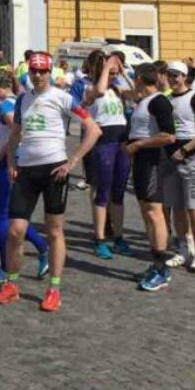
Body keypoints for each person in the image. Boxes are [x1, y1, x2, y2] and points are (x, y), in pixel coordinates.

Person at [0, 52, 100, 312]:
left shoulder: (63, 97)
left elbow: (94, 129)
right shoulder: (22, 100)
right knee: (15, 230)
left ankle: (54, 288)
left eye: (42, 71)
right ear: (28, 72)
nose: (38, 75)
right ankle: (12, 284)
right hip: (26, 171)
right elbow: (15, 134)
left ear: (49, 72)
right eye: (34, 71)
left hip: (55, 170)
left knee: (54, 232)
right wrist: (10, 163)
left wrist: (73, 161)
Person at [0, 73, 49, 283]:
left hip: (12, 164)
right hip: (24, 162)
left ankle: (5, 268)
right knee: (15, 218)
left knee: (1, 217)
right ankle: (43, 248)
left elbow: (17, 131)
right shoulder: (21, 100)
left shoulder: (6, 106)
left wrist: (2, 153)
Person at [122, 63, 177, 291]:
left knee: (155, 213)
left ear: (140, 79)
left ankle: (162, 268)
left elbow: (169, 136)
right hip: (142, 160)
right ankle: (155, 263)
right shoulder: (143, 102)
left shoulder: (159, 101)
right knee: (147, 212)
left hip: (154, 159)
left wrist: (140, 144)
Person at [162, 61, 195, 273]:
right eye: (170, 75)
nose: (173, 79)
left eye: (176, 76)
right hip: (170, 158)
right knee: (177, 208)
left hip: (190, 158)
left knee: (194, 208)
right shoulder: (166, 100)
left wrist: (185, 150)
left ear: (184, 77)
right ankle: (184, 248)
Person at [83, 50, 132, 259]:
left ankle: (119, 236)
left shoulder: (117, 89)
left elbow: (137, 92)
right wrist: (105, 68)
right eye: (109, 72)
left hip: (121, 141)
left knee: (118, 193)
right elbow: (100, 90)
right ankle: (100, 238)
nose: (112, 76)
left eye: (114, 73)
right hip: (102, 143)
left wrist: (123, 71)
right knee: (102, 193)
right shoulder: (90, 89)